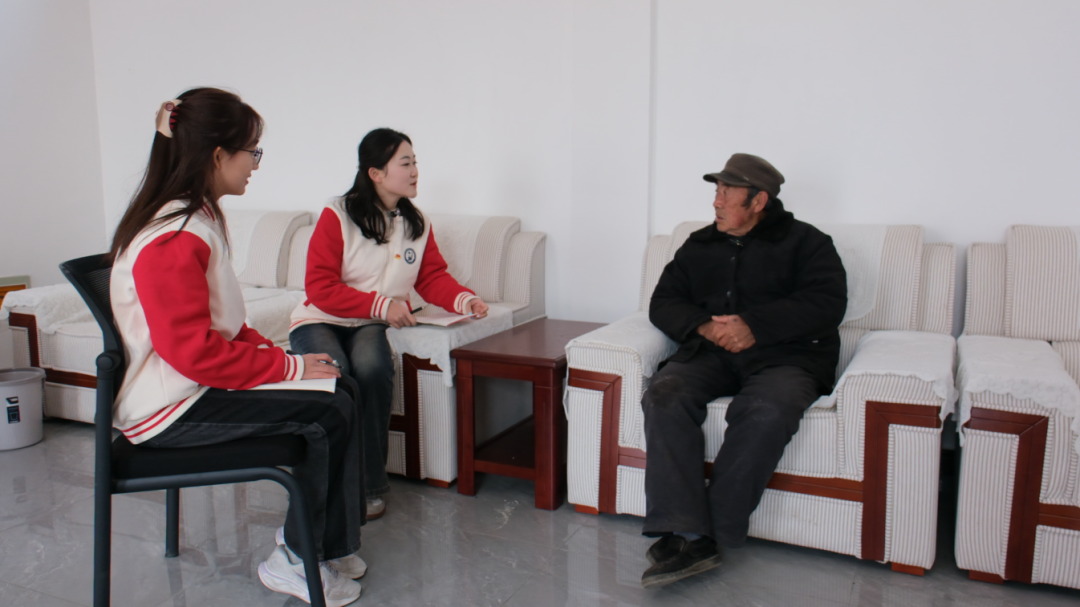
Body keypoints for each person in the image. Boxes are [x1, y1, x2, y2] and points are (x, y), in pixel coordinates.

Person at [109, 88, 365, 606]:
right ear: (217, 155)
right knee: (328, 413)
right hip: (169, 408)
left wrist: (292, 364)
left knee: (342, 387)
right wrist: (288, 369)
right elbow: (193, 354)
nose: (256, 163)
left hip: (192, 386)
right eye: (252, 151)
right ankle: (295, 558)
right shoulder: (173, 236)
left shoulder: (197, 218)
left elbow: (226, 327)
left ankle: (322, 545)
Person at [640, 153, 847, 588]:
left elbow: (826, 304)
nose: (715, 202)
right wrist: (704, 327)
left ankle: (706, 534)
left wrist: (755, 327)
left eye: (726, 193)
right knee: (664, 392)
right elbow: (663, 302)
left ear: (758, 201)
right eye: (716, 191)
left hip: (786, 357)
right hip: (712, 353)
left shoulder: (808, 243)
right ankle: (683, 525)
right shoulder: (699, 244)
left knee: (767, 408)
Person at [289, 128, 489, 519]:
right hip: (321, 318)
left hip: (369, 323)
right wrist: (383, 305)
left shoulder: (416, 222)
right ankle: (323, 486)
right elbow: (319, 286)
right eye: (405, 163)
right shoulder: (338, 214)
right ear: (376, 173)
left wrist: (465, 299)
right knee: (333, 374)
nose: (415, 172)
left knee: (373, 368)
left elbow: (431, 277)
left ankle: (368, 487)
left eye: (415, 163)